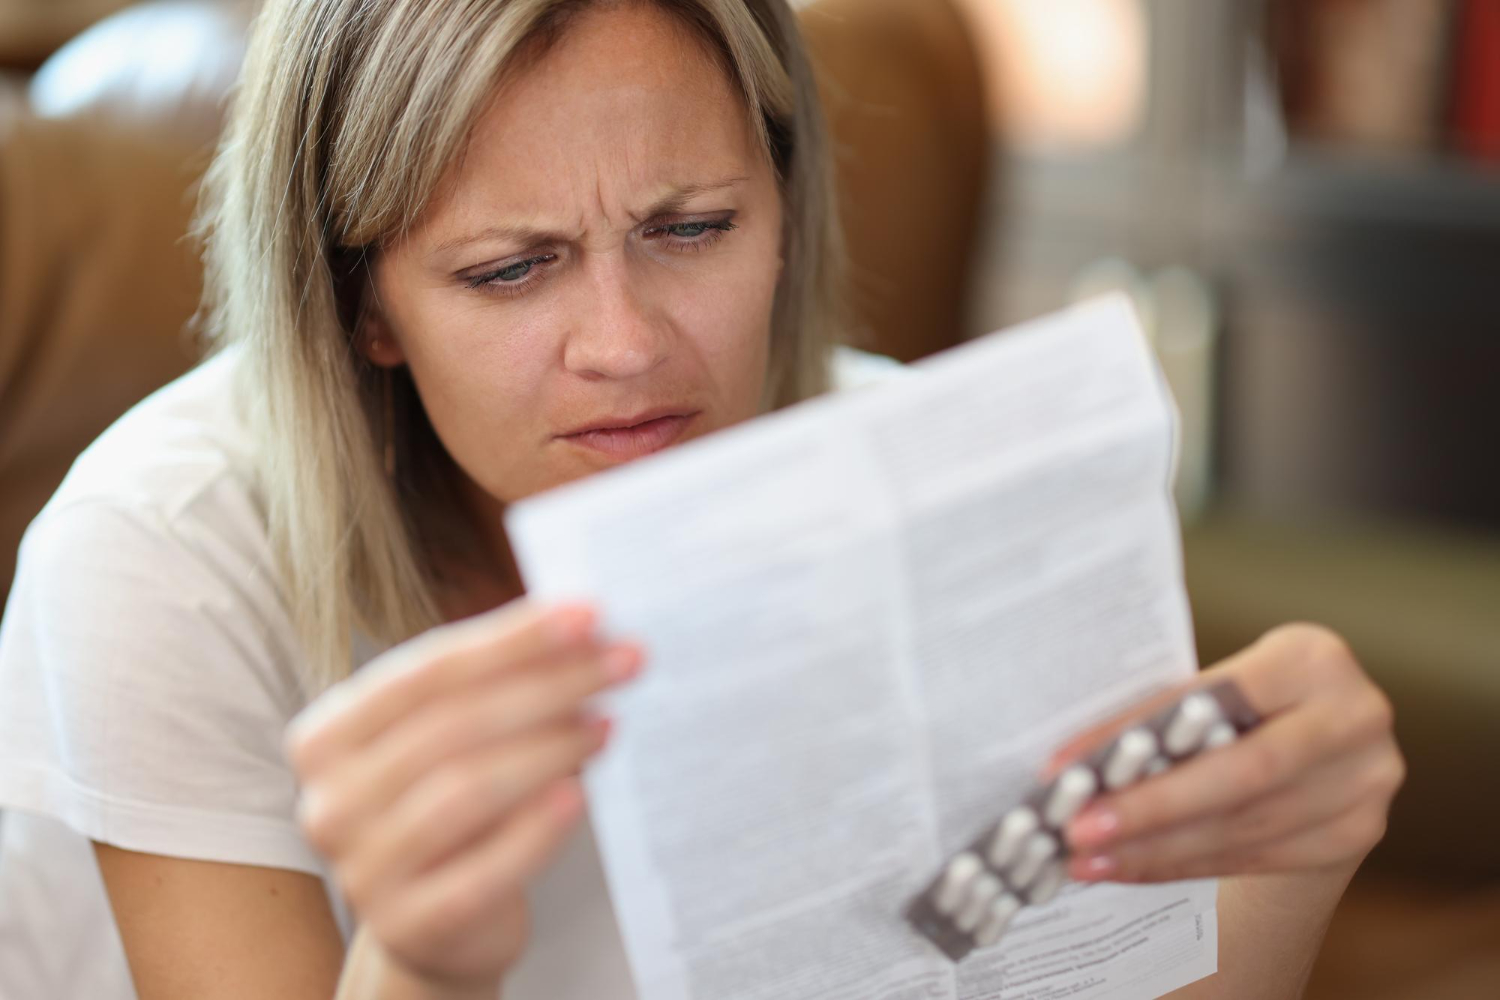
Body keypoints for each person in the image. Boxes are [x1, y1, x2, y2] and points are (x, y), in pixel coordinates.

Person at [0, 1, 1404, 998]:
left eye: (692, 229)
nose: (626, 344)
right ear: (364, 306)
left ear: (788, 211)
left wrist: (1292, 859)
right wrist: (425, 967)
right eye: (509, 268)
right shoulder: (161, 556)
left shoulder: (911, 474)